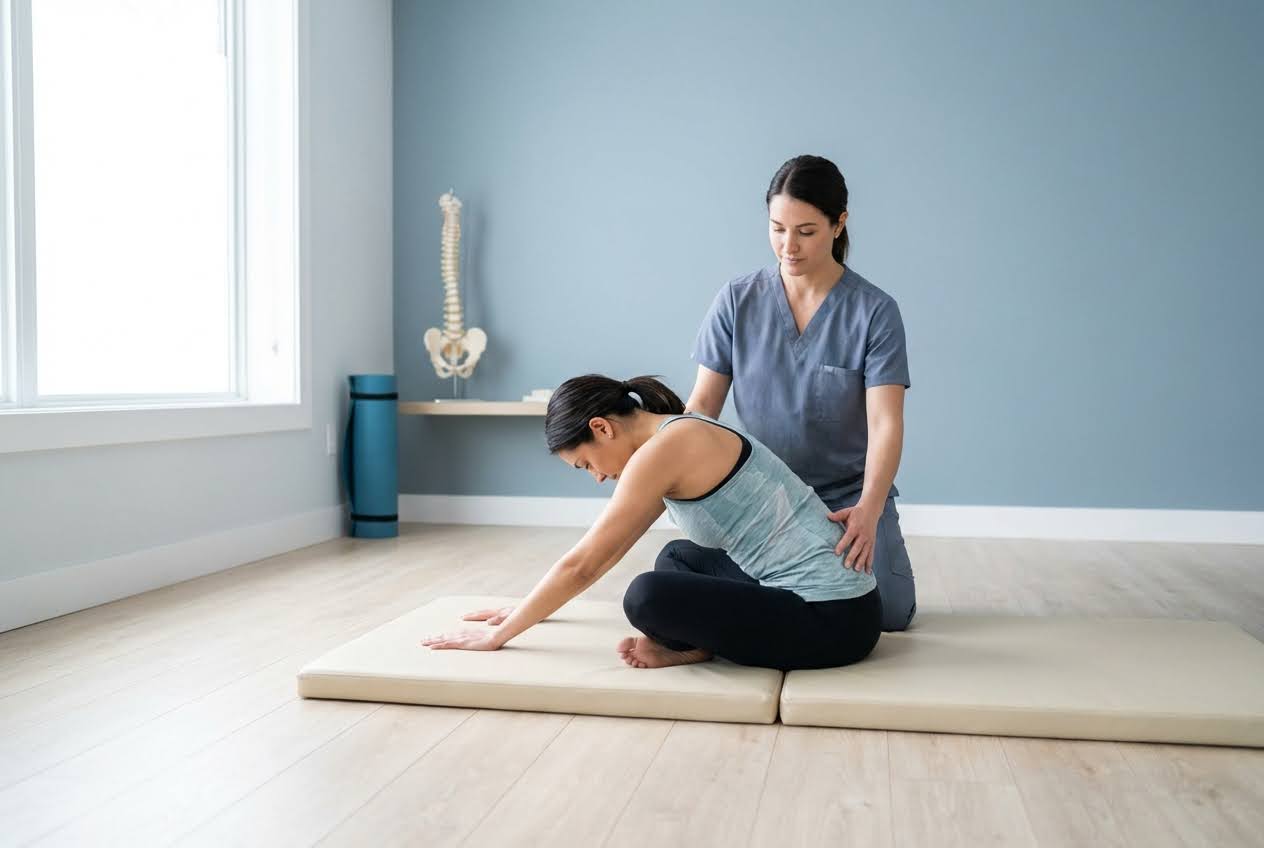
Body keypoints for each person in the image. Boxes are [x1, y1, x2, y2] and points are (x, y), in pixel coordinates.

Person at [422, 374, 883, 672]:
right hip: (840, 600)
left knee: (647, 595)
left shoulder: (665, 450)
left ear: (603, 428)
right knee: (677, 557)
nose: (599, 477)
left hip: (833, 620)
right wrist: (526, 607)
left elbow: (586, 563)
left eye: (587, 465)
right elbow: (596, 554)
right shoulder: (677, 429)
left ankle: (693, 643)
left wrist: (500, 635)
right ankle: (694, 646)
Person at [684, 154, 917, 631]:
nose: (788, 246)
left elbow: (885, 423)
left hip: (849, 494)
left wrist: (870, 510)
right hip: (761, 491)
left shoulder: (875, 311)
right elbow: (701, 408)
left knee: (887, 614)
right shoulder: (736, 298)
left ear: (839, 224)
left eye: (806, 231)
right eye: (777, 228)